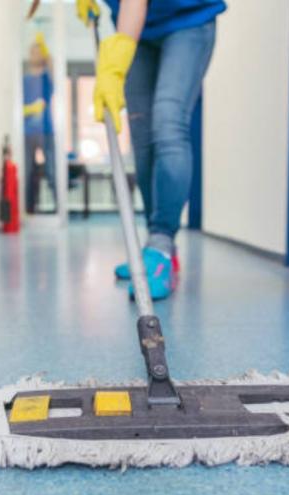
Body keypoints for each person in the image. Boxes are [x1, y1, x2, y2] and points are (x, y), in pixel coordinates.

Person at [76, 0, 225, 300]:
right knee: (142, 142)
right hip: (139, 32)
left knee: (169, 124)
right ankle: (153, 248)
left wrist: (115, 67)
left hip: (189, 19)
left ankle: (161, 244)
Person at [23, 32, 56, 213]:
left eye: (37, 51)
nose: (34, 54)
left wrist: (44, 46)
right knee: (28, 172)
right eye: (32, 51)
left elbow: (52, 67)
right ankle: (28, 210)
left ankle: (59, 209)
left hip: (46, 130)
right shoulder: (24, 79)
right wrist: (28, 109)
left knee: (52, 170)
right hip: (27, 133)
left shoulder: (46, 78)